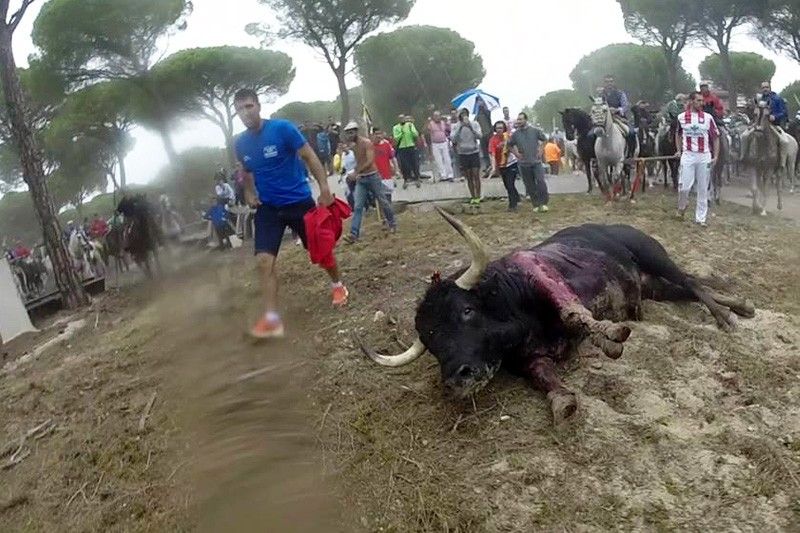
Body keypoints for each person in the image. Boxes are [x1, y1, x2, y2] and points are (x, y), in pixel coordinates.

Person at [233, 88, 349, 339]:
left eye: (249, 106)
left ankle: (338, 285)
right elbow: (245, 170)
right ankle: (273, 319)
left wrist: (325, 188)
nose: (245, 113)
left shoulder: (282, 129)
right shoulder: (240, 142)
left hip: (298, 202)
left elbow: (309, 156)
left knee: (321, 253)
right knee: (264, 262)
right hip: (268, 209)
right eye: (240, 109)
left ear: (259, 106)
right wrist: (249, 193)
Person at [342, 122, 397, 243]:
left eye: (351, 133)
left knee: (383, 201)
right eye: (347, 133)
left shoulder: (366, 143)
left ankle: (392, 223)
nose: (349, 135)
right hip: (362, 179)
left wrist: (356, 172)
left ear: (356, 132)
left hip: (372, 177)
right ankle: (353, 234)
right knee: (357, 207)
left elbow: (370, 161)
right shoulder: (354, 146)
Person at [675, 91, 720, 227]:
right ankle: (682, 207)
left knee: (702, 188)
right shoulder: (682, 117)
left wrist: (716, 155)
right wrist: (678, 150)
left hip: (704, 156)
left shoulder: (708, 118)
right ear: (691, 101)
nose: (702, 103)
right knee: (684, 187)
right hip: (688, 155)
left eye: (702, 101)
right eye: (699, 100)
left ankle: (701, 218)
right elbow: (678, 134)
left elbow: (716, 137)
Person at [509, 112, 550, 212]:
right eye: (518, 119)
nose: (519, 121)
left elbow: (545, 140)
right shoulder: (515, 134)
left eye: (521, 119)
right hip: (523, 163)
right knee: (529, 184)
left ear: (525, 120)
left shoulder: (535, 131)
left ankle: (544, 203)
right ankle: (535, 204)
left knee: (540, 182)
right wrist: (516, 154)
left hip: (536, 162)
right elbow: (509, 145)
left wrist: (541, 150)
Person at [451, 108, 483, 205]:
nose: (464, 115)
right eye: (462, 114)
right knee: (468, 176)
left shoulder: (475, 124)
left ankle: (478, 195)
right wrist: (460, 127)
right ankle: (472, 196)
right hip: (463, 153)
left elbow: (480, 136)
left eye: (465, 114)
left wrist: (470, 127)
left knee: (476, 174)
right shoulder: (456, 126)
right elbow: (453, 139)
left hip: (474, 151)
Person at [600, 74, 637, 156]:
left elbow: (625, 106)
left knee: (631, 133)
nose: (609, 83)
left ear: (614, 82)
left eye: (611, 81)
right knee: (591, 135)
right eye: (607, 82)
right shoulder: (600, 95)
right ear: (604, 83)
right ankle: (594, 159)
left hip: (619, 119)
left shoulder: (620, 94)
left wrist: (617, 110)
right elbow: (597, 107)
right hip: (603, 121)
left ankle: (630, 156)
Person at [488, 121, 520, 211]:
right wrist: (493, 167)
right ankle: (516, 197)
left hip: (511, 163)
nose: (499, 130)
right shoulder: (493, 140)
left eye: (501, 128)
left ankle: (512, 205)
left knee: (510, 184)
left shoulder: (508, 137)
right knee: (507, 185)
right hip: (501, 165)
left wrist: (518, 156)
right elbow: (492, 154)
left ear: (504, 129)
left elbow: (513, 147)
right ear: (495, 129)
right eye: (497, 128)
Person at [393, 114, 421, 189]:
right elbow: (396, 138)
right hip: (402, 147)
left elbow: (415, 134)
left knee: (414, 163)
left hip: (411, 146)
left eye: (403, 118)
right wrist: (401, 133)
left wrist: (412, 131)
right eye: (400, 118)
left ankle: (417, 178)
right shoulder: (396, 127)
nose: (402, 120)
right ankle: (406, 179)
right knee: (404, 164)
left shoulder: (409, 125)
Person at [372, 127, 398, 203]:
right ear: (372, 135)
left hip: (387, 175)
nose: (378, 136)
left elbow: (393, 159)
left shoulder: (387, 145)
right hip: (376, 176)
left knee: (388, 197)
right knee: (379, 198)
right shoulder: (370, 146)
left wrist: (396, 170)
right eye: (376, 134)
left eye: (379, 134)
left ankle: (388, 213)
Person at [428, 111, 454, 181]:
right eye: (435, 116)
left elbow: (448, 130)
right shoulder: (431, 123)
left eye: (438, 116)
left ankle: (450, 174)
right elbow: (427, 131)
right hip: (435, 143)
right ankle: (443, 175)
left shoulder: (443, 123)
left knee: (447, 158)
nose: (437, 117)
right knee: (438, 160)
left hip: (443, 142)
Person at [475, 99, 493, 171]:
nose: (479, 103)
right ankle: (487, 165)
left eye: (481, 101)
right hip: (482, 136)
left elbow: (489, 118)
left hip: (489, 134)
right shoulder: (477, 115)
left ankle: (493, 165)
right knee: (484, 152)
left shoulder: (487, 112)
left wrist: (484, 108)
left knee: (491, 151)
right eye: (478, 102)